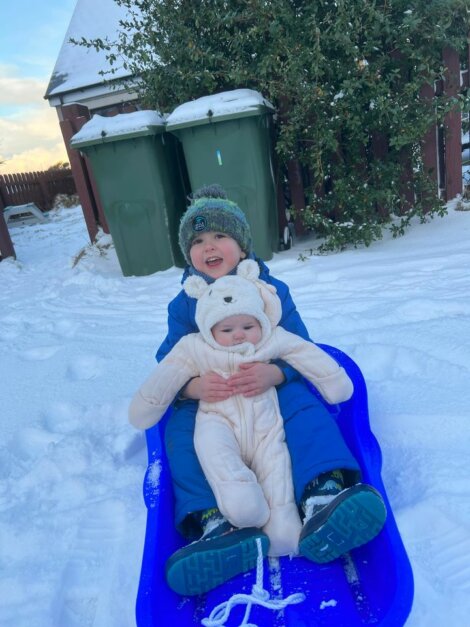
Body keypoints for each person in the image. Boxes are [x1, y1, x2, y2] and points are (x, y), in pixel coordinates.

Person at [136, 184, 386, 596]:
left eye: (220, 236)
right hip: (215, 395)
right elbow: (172, 361)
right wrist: (191, 387)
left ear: (242, 245)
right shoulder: (185, 304)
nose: (209, 247)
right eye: (198, 241)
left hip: (264, 382)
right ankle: (214, 522)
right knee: (181, 435)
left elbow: (301, 344)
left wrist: (279, 374)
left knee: (304, 408)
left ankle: (322, 496)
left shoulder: (271, 292)